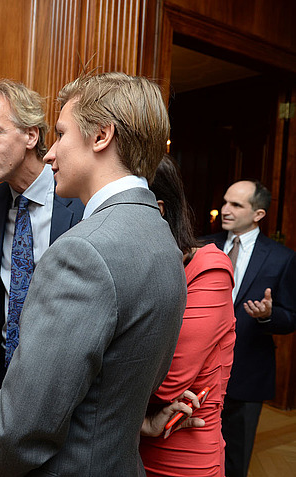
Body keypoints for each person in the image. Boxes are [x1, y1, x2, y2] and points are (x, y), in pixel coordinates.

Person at [0, 72, 187, 477]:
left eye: (61, 134)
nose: (50, 153)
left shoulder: (83, 250)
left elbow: (27, 425)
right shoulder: (160, 233)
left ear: (101, 136)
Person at [0, 79, 84, 396]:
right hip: (5, 373)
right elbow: (6, 282)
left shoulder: (78, 200)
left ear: (31, 135)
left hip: (63, 378)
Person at [139, 156, 236, 476]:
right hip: (128, 439)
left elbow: (168, 381)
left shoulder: (209, 269)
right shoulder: (139, 269)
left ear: (159, 210)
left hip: (181, 451)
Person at [206, 180, 296, 477]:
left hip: (248, 373)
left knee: (236, 459)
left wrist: (268, 315)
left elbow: (290, 318)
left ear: (258, 214)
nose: (225, 210)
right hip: (200, 371)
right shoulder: (203, 246)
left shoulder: (282, 258)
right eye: (225, 202)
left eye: (236, 205)